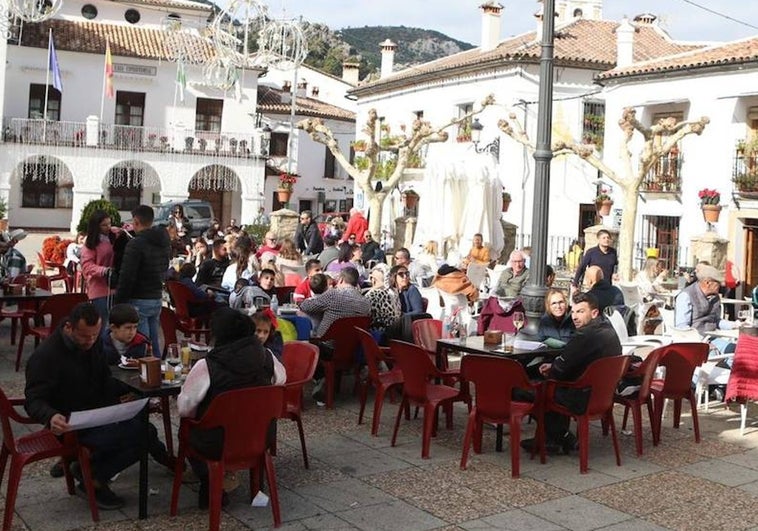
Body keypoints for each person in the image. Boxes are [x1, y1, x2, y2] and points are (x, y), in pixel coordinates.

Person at [25, 303, 171, 510]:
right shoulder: (46, 356)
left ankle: (90, 466)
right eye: (85, 336)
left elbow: (104, 380)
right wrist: (50, 416)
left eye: (95, 335)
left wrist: (135, 389)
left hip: (98, 413)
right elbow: (33, 399)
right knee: (144, 435)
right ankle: (93, 477)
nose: (91, 341)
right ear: (68, 327)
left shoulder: (93, 346)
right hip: (70, 422)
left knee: (143, 424)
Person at [177, 308, 285, 509]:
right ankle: (221, 481)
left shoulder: (206, 366)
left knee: (186, 429)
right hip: (259, 437)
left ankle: (208, 480)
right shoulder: (268, 358)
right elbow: (281, 382)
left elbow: (184, 408)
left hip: (217, 442)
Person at [521, 292, 622, 455]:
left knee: (525, 389)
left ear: (594, 313)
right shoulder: (608, 330)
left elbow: (560, 371)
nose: (574, 317)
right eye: (573, 312)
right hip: (602, 395)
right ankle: (552, 439)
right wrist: (555, 366)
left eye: (581, 312)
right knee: (549, 385)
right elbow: (572, 363)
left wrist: (553, 367)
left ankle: (562, 436)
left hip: (581, 397)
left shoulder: (584, 335)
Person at [300, 267, 371, 404]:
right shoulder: (365, 302)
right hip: (353, 350)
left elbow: (306, 307)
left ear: (341, 279)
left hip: (327, 348)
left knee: (306, 342)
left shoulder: (333, 295)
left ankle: (321, 378)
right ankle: (326, 381)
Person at [115, 205, 171, 355]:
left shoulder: (136, 244)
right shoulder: (162, 241)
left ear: (136, 221)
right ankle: (156, 372)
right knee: (154, 343)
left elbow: (127, 275)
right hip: (156, 296)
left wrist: (119, 302)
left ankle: (143, 376)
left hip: (139, 298)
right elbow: (165, 266)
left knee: (142, 345)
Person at [81, 210, 120, 325]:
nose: (108, 227)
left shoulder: (113, 236)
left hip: (114, 287)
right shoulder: (90, 242)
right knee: (103, 325)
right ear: (96, 226)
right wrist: (103, 271)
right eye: (104, 225)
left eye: (109, 223)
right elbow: (87, 266)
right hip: (99, 289)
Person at [675, 265, 739, 333]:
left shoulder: (715, 297)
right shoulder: (686, 296)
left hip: (713, 336)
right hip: (694, 340)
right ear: (708, 283)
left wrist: (734, 325)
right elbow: (682, 327)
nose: (720, 285)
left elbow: (716, 321)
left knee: (735, 343)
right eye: (718, 283)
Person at [364, 265, 402, 341]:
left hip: (379, 336)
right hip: (397, 334)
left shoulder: (373, 294)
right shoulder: (394, 292)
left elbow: (367, 317)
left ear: (373, 279)